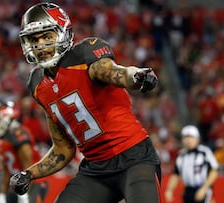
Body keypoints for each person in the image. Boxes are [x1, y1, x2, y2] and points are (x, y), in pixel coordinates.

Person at [9, 2, 161, 203]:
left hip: (135, 159)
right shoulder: (38, 83)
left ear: (63, 33)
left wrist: (137, 76)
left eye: (47, 36)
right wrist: (29, 174)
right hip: (96, 170)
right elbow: (63, 148)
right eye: (34, 40)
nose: (41, 45)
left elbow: (116, 72)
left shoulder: (84, 56)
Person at [0, 101, 47, 203]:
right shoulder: (4, 139)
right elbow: (7, 170)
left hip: (34, 182)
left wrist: (24, 195)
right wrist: (1, 195)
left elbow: (29, 169)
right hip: (18, 185)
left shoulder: (18, 135)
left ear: (6, 119)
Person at [164, 125, 219, 203]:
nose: (188, 140)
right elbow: (176, 174)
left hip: (203, 189)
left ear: (197, 139)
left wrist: (204, 188)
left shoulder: (204, 152)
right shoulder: (181, 155)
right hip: (188, 191)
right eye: (186, 137)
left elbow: (214, 171)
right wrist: (169, 190)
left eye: (191, 137)